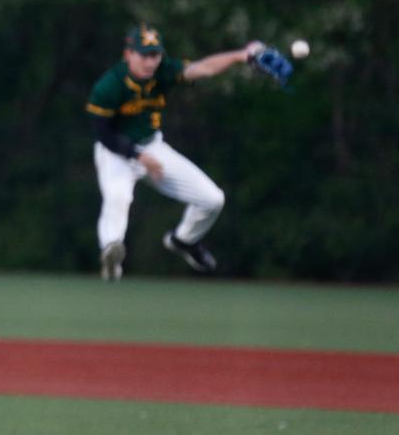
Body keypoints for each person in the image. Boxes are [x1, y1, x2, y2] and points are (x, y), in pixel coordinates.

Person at [86, 23, 266, 280]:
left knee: (213, 199)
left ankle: (183, 241)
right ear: (128, 54)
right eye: (144, 55)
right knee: (118, 197)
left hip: (152, 147)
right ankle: (111, 251)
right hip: (115, 152)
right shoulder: (110, 85)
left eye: (155, 55)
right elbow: (102, 133)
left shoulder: (163, 71)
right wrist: (136, 155)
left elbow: (203, 68)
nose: (150, 62)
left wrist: (241, 55)